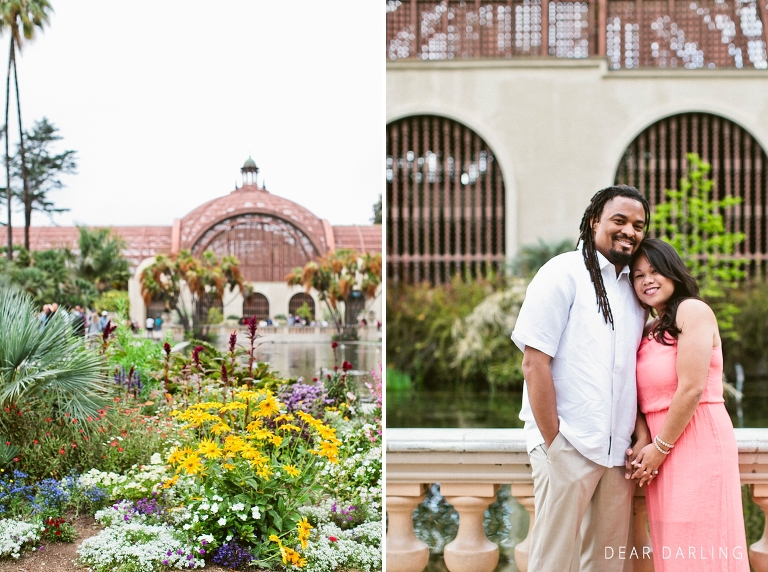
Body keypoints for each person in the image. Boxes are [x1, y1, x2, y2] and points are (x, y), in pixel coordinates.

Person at [511, 185, 650, 571]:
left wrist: (637, 429)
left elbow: (628, 373)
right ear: (594, 222)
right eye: (619, 221)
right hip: (568, 444)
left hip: (616, 452)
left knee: (606, 563)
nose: (629, 231)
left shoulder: (636, 290)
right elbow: (534, 362)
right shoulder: (562, 272)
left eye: (638, 225)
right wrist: (553, 441)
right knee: (553, 562)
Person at [627, 238, 748, 571]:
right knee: (675, 551)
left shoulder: (692, 310)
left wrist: (659, 448)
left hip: (697, 442)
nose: (647, 280)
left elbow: (692, 389)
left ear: (673, 272)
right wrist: (642, 438)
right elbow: (636, 396)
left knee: (703, 547)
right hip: (660, 451)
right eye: (638, 275)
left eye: (654, 271)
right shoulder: (649, 329)